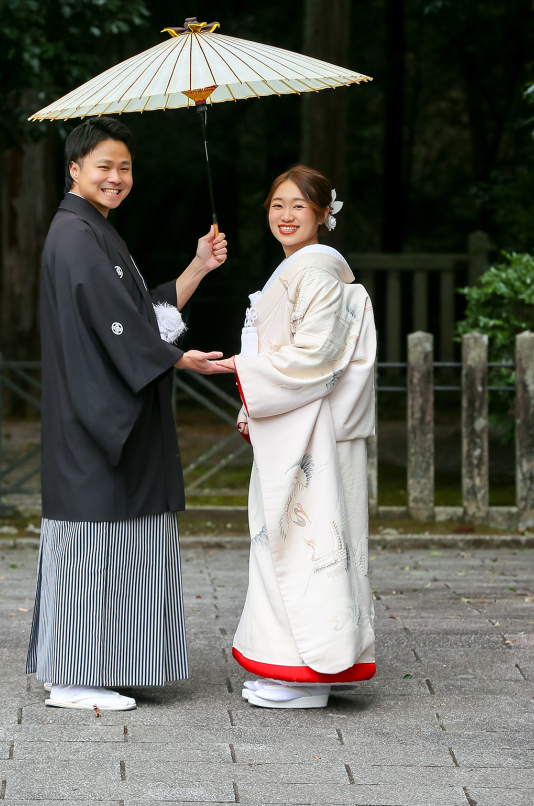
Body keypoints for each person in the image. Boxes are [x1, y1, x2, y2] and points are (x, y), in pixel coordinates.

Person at [26, 116, 227, 712]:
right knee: (91, 540)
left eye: (125, 167)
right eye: (103, 166)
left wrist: (197, 269)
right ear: (74, 170)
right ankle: (71, 676)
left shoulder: (93, 232)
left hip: (107, 412)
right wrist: (175, 358)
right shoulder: (75, 237)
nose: (116, 178)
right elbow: (123, 331)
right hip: (95, 419)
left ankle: (107, 664)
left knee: (117, 544)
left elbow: (134, 316)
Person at [213, 165, 376, 709]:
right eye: (277, 204)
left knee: (305, 547)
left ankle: (308, 674)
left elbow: (315, 358)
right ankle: (289, 667)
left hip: (312, 433)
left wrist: (242, 366)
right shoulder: (297, 272)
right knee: (283, 543)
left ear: (324, 214)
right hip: (295, 422)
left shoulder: (317, 273)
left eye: (299, 206)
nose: (285, 215)